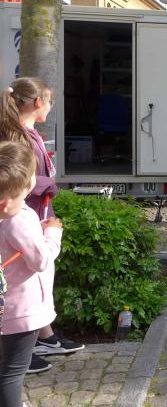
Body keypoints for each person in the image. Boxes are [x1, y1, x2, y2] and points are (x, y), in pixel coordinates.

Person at [0, 80, 83, 373]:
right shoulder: (19, 136)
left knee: (37, 280)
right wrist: (49, 184)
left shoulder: (26, 133)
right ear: (37, 103)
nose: (50, 106)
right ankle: (20, 348)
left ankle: (43, 336)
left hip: (34, 211)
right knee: (25, 279)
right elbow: (19, 178)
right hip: (25, 214)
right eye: (50, 101)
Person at [0, 141, 63, 406]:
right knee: (13, 371)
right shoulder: (18, 218)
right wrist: (53, 234)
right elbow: (40, 260)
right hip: (19, 311)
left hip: (5, 307)